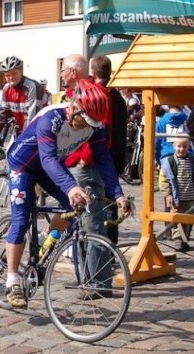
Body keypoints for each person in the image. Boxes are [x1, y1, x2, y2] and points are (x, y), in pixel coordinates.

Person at [2, 79, 131, 308]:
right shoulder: (51, 119)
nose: (88, 126)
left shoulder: (95, 126)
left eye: (93, 122)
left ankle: (44, 239)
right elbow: (48, 158)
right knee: (21, 220)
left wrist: (118, 194)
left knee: (75, 208)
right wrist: (71, 187)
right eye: (85, 120)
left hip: (50, 168)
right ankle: (12, 280)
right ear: (74, 107)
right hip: (23, 166)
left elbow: (104, 161)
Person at [90, 55, 128, 245]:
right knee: (111, 202)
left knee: (100, 202)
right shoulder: (118, 97)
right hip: (116, 156)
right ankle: (111, 245)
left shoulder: (98, 94)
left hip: (102, 155)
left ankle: (102, 247)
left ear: (93, 72)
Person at [0, 56, 42, 146]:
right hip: (23, 131)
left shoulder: (31, 86)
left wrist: (23, 141)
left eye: (14, 73)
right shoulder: (6, 89)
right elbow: (1, 115)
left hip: (41, 131)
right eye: (7, 75)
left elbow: (30, 118)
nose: (11, 78)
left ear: (21, 71)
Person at [160, 137, 194, 252]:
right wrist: (168, 195)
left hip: (190, 197)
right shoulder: (170, 162)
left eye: (185, 146)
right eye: (179, 146)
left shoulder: (192, 160)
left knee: (187, 220)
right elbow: (164, 180)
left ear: (189, 146)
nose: (182, 149)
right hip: (177, 198)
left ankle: (184, 240)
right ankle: (177, 240)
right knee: (176, 219)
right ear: (174, 146)